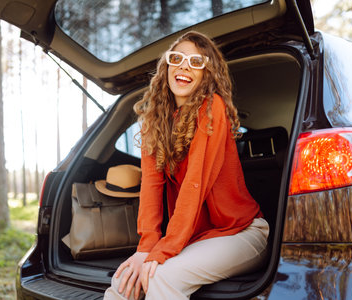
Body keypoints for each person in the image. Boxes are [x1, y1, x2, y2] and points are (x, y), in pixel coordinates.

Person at [104, 31, 269, 300]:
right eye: (177, 58)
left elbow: (194, 184)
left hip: (243, 233)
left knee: (162, 278)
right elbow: (151, 188)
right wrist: (145, 248)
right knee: (124, 281)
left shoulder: (211, 108)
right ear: (167, 67)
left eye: (196, 62)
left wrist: (162, 250)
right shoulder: (154, 122)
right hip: (198, 238)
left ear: (207, 74)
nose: (184, 66)